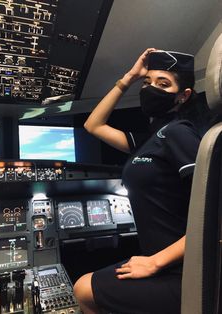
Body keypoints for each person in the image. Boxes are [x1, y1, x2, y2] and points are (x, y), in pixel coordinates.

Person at [73, 48, 204, 314]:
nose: (151, 88)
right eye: (148, 83)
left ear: (183, 95)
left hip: (185, 269)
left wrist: (154, 263)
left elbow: (215, 211)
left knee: (83, 289)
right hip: (162, 262)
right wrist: (129, 77)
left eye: (163, 83)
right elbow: (93, 125)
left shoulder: (179, 133)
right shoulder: (150, 139)